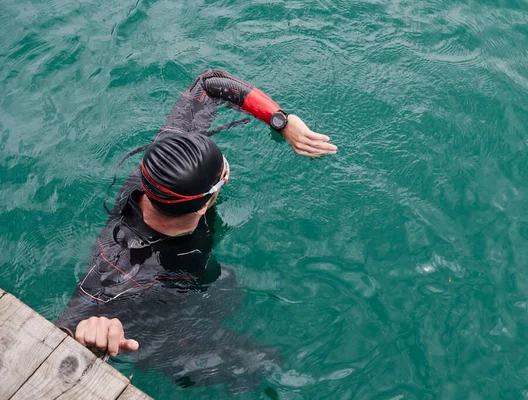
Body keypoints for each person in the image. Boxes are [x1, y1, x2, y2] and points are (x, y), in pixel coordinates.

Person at [55, 69, 337, 392]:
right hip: (161, 311)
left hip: (196, 272)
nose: (227, 173)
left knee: (230, 291)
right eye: (223, 175)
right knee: (263, 364)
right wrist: (89, 332)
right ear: (204, 205)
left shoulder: (165, 160)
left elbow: (209, 83)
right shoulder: (124, 270)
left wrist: (282, 121)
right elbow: (67, 326)